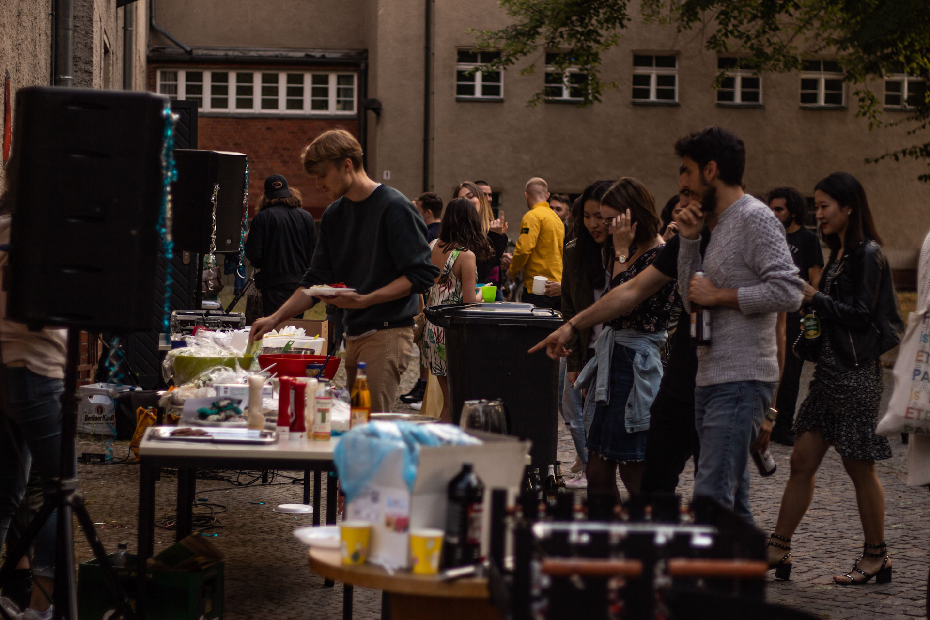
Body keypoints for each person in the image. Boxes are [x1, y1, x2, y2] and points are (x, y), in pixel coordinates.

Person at [765, 172, 903, 585]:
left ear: (848, 208)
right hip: (828, 376)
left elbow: (863, 315)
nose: (817, 214)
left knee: (859, 466)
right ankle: (778, 547)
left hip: (856, 375)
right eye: (816, 206)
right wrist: (811, 321)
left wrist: (814, 298)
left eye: (824, 206)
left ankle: (877, 555)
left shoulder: (866, 253)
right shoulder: (841, 254)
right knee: (801, 461)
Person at [249, 129, 439, 413]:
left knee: (372, 426)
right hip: (353, 334)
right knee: (355, 422)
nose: (317, 184)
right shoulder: (334, 214)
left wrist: (366, 299)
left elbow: (423, 274)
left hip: (388, 332)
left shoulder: (395, 207)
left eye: (322, 175)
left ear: (347, 165)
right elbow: (314, 280)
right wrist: (275, 317)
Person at [675, 126, 804, 523]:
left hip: (743, 377)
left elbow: (790, 292)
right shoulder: (718, 224)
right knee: (731, 499)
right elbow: (690, 299)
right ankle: (743, 577)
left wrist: (722, 296)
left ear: (710, 170)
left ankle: (706, 583)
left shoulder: (755, 218)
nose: (682, 183)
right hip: (711, 376)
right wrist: (690, 242)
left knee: (712, 493)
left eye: (687, 171)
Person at [574, 178, 678, 498]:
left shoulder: (660, 254)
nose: (603, 226)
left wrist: (619, 254)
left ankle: (653, 535)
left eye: (609, 219)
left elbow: (619, 306)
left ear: (631, 215)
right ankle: (607, 540)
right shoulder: (624, 250)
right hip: (613, 357)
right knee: (597, 468)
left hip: (636, 364)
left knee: (633, 467)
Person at [0, 190, 67, 620]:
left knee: (4, 493)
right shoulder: (53, 229)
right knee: (58, 491)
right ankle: (42, 607)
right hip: (38, 368)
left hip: (4, 364)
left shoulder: (4, 222)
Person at [560, 181, 616, 488]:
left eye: (600, 217)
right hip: (592, 356)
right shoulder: (575, 251)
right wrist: (574, 362)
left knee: (631, 457)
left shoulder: (631, 252)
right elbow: (569, 306)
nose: (593, 224)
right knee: (597, 454)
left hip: (626, 354)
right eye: (587, 216)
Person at [421, 198, 490, 421]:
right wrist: (484, 293)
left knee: (448, 400)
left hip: (432, 331)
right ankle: (450, 448)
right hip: (452, 334)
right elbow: (470, 302)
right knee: (458, 402)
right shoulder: (465, 256)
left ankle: (443, 445)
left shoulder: (432, 246)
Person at [766, 186, 824, 446]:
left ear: (793, 211)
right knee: (769, 369)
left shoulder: (808, 239)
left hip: (795, 313)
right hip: (768, 311)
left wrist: (810, 307)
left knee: (790, 373)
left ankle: (783, 426)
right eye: (771, 208)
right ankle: (761, 422)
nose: (774, 213)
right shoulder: (767, 235)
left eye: (779, 209)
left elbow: (816, 278)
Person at [244, 174, 317, 317]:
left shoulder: (262, 218)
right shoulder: (307, 217)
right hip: (300, 284)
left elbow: (255, 257)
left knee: (276, 331)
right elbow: (314, 254)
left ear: (266, 196)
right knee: (296, 330)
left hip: (273, 285)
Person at [399, 192, 444, 406]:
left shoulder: (427, 235)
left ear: (427, 212)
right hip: (433, 294)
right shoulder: (441, 232)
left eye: (418, 210)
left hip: (426, 296)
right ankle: (423, 385)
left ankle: (424, 386)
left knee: (424, 344)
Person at [507, 177, 565, 310]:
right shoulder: (556, 219)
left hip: (538, 289)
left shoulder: (532, 216)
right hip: (557, 286)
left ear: (526, 195)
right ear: (548, 195)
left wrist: (512, 271)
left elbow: (523, 250)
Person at [454, 182, 508, 293]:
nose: (466, 202)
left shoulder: (493, 233)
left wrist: (495, 237)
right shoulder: (451, 232)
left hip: (480, 294)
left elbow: (483, 270)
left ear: (481, 201)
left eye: (470, 196)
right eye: (461, 199)